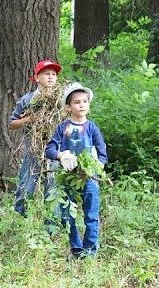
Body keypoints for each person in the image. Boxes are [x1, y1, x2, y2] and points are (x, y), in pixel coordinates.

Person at [45, 82, 107, 259]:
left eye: (85, 101)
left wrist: (95, 166)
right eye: (77, 102)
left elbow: (103, 154)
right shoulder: (62, 128)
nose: (81, 105)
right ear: (68, 107)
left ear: (89, 105)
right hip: (68, 178)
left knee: (91, 216)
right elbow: (49, 150)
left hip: (89, 178)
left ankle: (90, 251)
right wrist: (61, 155)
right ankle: (76, 249)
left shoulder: (92, 128)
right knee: (68, 215)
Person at [10, 59, 62, 217]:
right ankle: (21, 219)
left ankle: (52, 225)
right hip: (32, 151)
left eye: (54, 74)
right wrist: (29, 119)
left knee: (53, 189)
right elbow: (12, 124)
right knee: (26, 186)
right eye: (47, 74)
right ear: (37, 77)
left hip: (55, 152)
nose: (51, 77)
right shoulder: (27, 100)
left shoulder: (61, 101)